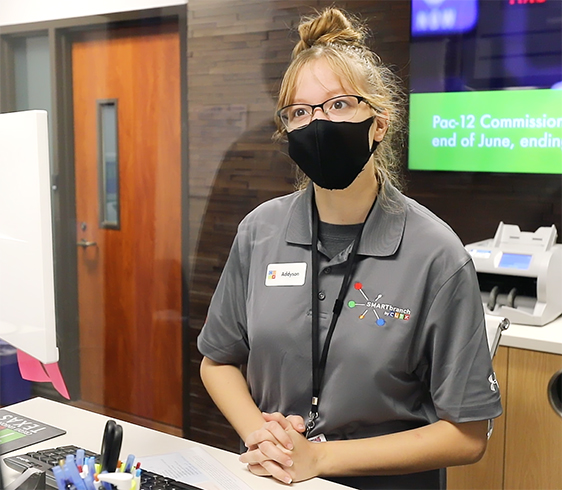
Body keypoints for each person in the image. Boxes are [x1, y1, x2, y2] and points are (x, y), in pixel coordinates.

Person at [197, 7, 502, 490]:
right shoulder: (259, 232)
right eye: (300, 112)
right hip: (273, 479)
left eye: (338, 105)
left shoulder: (436, 255)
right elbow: (218, 361)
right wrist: (266, 438)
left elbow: (466, 436)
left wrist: (320, 459)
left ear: (379, 123)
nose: (318, 123)